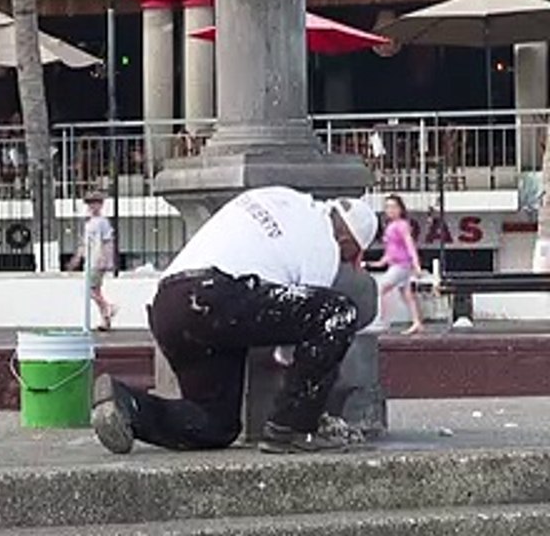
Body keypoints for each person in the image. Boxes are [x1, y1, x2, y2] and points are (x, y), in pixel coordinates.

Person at [91, 186, 379, 455]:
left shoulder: (281, 196)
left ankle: (127, 404)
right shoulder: (324, 246)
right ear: (347, 241)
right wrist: (314, 390)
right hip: (216, 295)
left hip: (170, 304)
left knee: (215, 424)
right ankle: (291, 429)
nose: (349, 263)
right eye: (353, 256)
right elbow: (297, 341)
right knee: (337, 313)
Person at [370, 194, 425, 335]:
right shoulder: (390, 226)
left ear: (400, 209)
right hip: (397, 264)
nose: (390, 210)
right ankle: (417, 322)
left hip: (402, 265)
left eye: (393, 206)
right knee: (407, 295)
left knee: (381, 288)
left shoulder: (402, 225)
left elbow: (409, 244)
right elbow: (391, 250)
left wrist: (416, 264)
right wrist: (381, 262)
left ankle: (381, 320)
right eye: (387, 207)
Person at [68, 192, 116, 330]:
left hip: (97, 260)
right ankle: (105, 320)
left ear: (100, 204)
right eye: (90, 203)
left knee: (90, 290)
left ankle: (108, 308)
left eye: (95, 203)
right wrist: (77, 257)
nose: (92, 206)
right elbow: (85, 243)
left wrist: (106, 259)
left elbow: (107, 241)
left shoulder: (102, 222)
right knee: (96, 290)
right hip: (90, 260)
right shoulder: (89, 223)